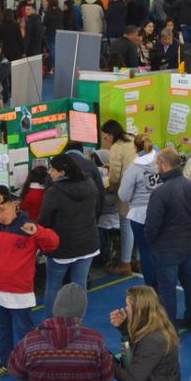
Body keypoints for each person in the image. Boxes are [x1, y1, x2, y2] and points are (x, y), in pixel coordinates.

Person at [0, 186, 59, 381]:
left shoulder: (28, 227)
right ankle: (5, 362)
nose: (0, 215)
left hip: (18, 292)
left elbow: (53, 243)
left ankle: (29, 371)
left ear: (15, 206)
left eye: (3, 210)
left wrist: (37, 232)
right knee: (2, 330)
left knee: (25, 333)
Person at [144, 148, 191, 329]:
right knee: (189, 284)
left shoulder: (160, 193)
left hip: (166, 248)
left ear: (164, 164)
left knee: (167, 290)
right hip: (186, 245)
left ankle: (170, 328)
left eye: (157, 164)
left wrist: (150, 241)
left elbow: (152, 224)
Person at [40, 153, 102, 311]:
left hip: (62, 247)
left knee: (53, 285)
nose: (49, 172)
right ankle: (77, 321)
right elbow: (96, 208)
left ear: (62, 173)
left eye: (52, 169)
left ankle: (50, 323)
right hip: (88, 243)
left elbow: (44, 221)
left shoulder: (54, 192)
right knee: (80, 285)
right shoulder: (89, 183)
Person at [118, 136, 160, 287]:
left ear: (135, 148)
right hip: (161, 211)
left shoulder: (133, 169)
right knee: (161, 249)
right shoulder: (161, 162)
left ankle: (151, 288)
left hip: (140, 214)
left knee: (146, 252)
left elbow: (123, 195)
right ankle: (164, 283)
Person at [101, 122, 138, 275]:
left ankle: (125, 263)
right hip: (141, 188)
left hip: (127, 190)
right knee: (139, 226)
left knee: (126, 227)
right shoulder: (132, 139)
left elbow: (115, 177)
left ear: (110, 135)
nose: (105, 140)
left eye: (105, 136)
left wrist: (107, 185)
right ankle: (138, 260)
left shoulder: (117, 147)